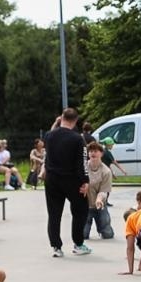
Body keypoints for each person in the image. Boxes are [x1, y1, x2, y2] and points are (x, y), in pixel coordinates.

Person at [42, 108, 91, 258]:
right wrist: (85, 181)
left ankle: (56, 246)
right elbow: (82, 162)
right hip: (71, 180)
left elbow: (48, 152)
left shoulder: (49, 136)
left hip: (52, 179)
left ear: (61, 117)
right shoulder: (77, 139)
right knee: (80, 210)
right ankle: (78, 243)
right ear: (76, 121)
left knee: (54, 213)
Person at [84, 141, 116, 241]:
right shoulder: (83, 167)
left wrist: (99, 199)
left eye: (96, 151)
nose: (93, 153)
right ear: (88, 154)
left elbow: (104, 191)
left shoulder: (106, 171)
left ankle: (101, 227)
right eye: (91, 151)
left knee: (108, 234)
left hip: (100, 205)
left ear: (101, 153)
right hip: (85, 206)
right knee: (83, 235)